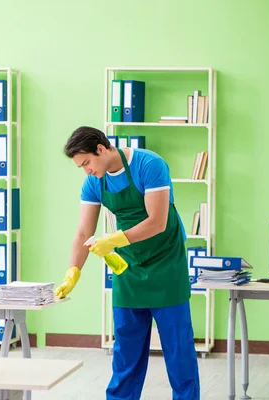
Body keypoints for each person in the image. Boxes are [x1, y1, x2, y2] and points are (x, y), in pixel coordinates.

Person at [55, 126, 200, 400]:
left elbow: (158, 222)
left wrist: (113, 240)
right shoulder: (94, 183)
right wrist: (73, 272)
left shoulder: (149, 164)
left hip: (167, 263)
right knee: (126, 353)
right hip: (128, 268)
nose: (86, 170)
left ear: (101, 148)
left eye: (86, 162)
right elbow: (84, 233)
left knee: (178, 351)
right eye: (80, 167)